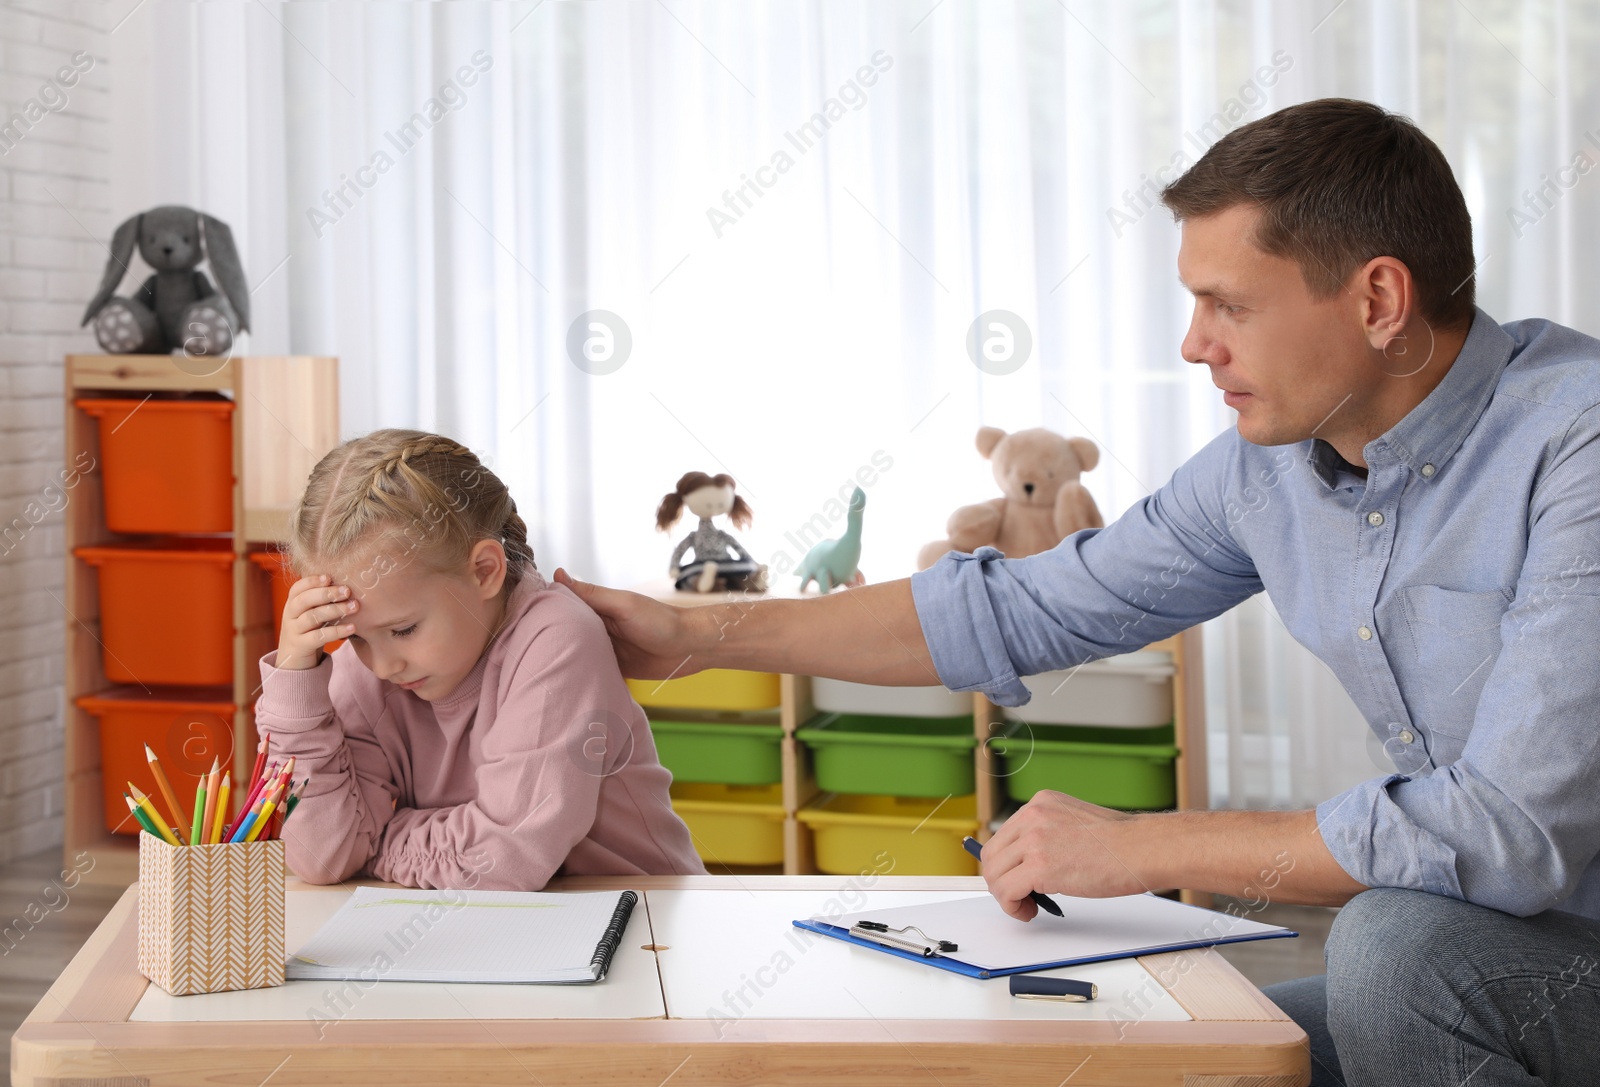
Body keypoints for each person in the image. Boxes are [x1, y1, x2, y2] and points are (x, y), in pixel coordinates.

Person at [555, 99, 1600, 1084]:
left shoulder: (1577, 440)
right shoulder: (1268, 469)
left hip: (1536, 943)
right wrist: (698, 630)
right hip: (1502, 945)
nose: (1195, 343)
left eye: (1228, 304)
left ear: (1377, 300)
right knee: (1174, 1050)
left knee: (1390, 947)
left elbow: (1502, 831)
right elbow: (1020, 605)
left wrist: (1141, 846)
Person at [257, 429, 705, 890]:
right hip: (499, 933)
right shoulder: (372, 667)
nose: (383, 665)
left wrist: (376, 844)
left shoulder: (557, 637)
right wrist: (297, 685)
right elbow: (323, 856)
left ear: (484, 571)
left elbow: (503, 859)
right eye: (354, 639)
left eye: (404, 630)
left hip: (639, 924)